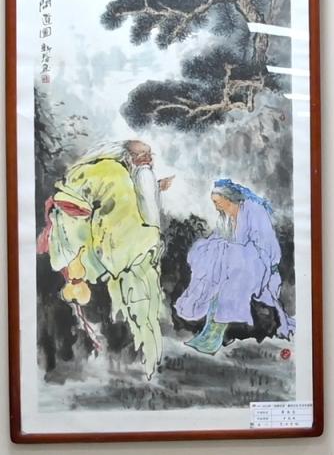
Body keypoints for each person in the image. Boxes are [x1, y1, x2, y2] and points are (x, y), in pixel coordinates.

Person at [38, 139, 173, 375]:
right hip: (88, 244)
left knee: (126, 301)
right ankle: (120, 354)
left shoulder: (115, 170)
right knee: (124, 298)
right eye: (144, 156)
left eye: (150, 155)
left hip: (97, 245)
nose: (149, 160)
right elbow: (112, 213)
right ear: (130, 157)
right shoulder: (114, 172)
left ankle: (131, 354)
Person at [175, 179, 295, 353]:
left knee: (229, 279)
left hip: (259, 266)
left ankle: (220, 333)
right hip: (235, 264)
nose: (216, 206)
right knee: (211, 268)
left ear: (228, 198)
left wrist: (231, 251)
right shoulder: (225, 218)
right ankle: (211, 333)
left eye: (217, 202)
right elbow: (218, 239)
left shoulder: (254, 211)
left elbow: (265, 249)